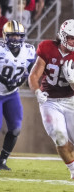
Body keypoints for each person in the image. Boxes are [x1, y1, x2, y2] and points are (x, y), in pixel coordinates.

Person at [0, 20, 35, 170]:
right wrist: (2, 79)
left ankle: (2, 161)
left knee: (16, 128)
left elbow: (31, 70)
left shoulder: (29, 51)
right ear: (5, 36)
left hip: (11, 94)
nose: (16, 39)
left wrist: (21, 82)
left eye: (19, 36)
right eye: (13, 36)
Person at [28, 19, 74, 180]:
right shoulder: (47, 47)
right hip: (50, 101)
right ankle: (73, 170)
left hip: (71, 100)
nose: (73, 41)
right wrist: (36, 92)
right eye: (71, 38)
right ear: (62, 36)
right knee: (60, 136)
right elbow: (34, 75)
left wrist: (72, 81)